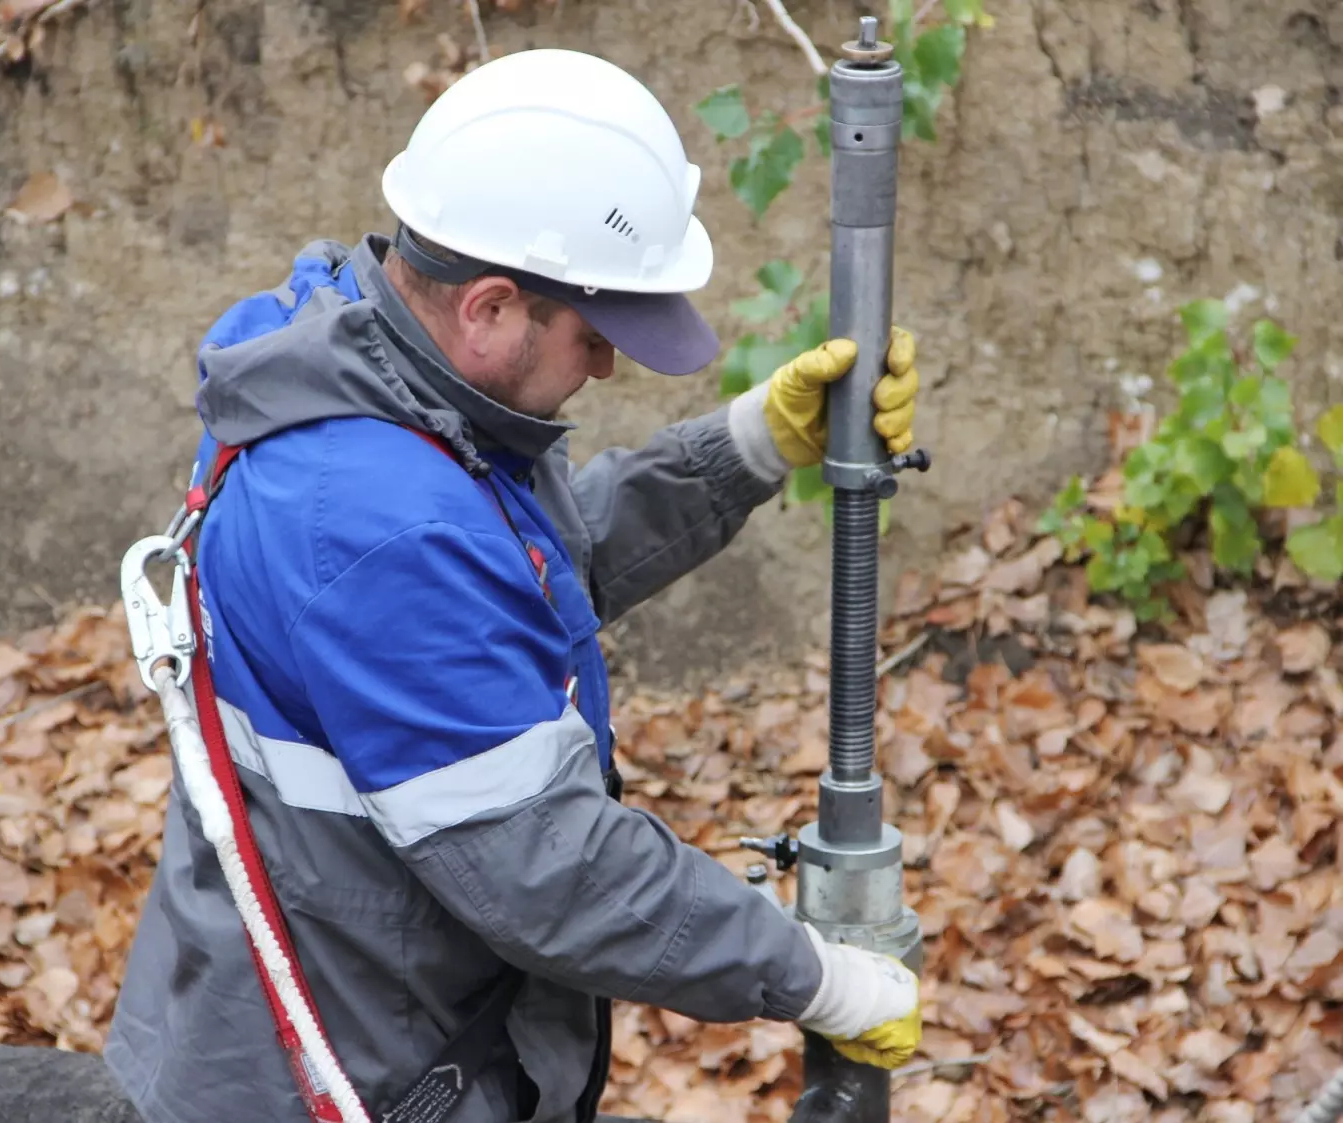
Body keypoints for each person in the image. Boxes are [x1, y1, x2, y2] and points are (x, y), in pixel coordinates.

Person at [103, 46, 924, 1123]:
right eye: (594, 335)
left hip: (362, 1012)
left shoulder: (370, 365)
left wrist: (746, 449)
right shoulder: (377, 520)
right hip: (342, 1079)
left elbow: (513, 585)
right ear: (490, 309)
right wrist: (817, 975)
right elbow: (555, 873)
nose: (608, 368)